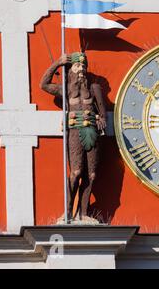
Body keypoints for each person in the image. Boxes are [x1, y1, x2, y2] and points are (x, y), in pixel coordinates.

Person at [40, 52, 107, 222]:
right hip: (75, 131)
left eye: (84, 66)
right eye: (77, 66)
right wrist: (58, 63)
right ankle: (68, 212)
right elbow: (44, 84)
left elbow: (102, 111)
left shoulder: (94, 88)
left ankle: (83, 213)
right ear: (70, 69)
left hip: (92, 131)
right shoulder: (66, 90)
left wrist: (102, 119)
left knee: (91, 175)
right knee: (76, 172)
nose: (81, 70)